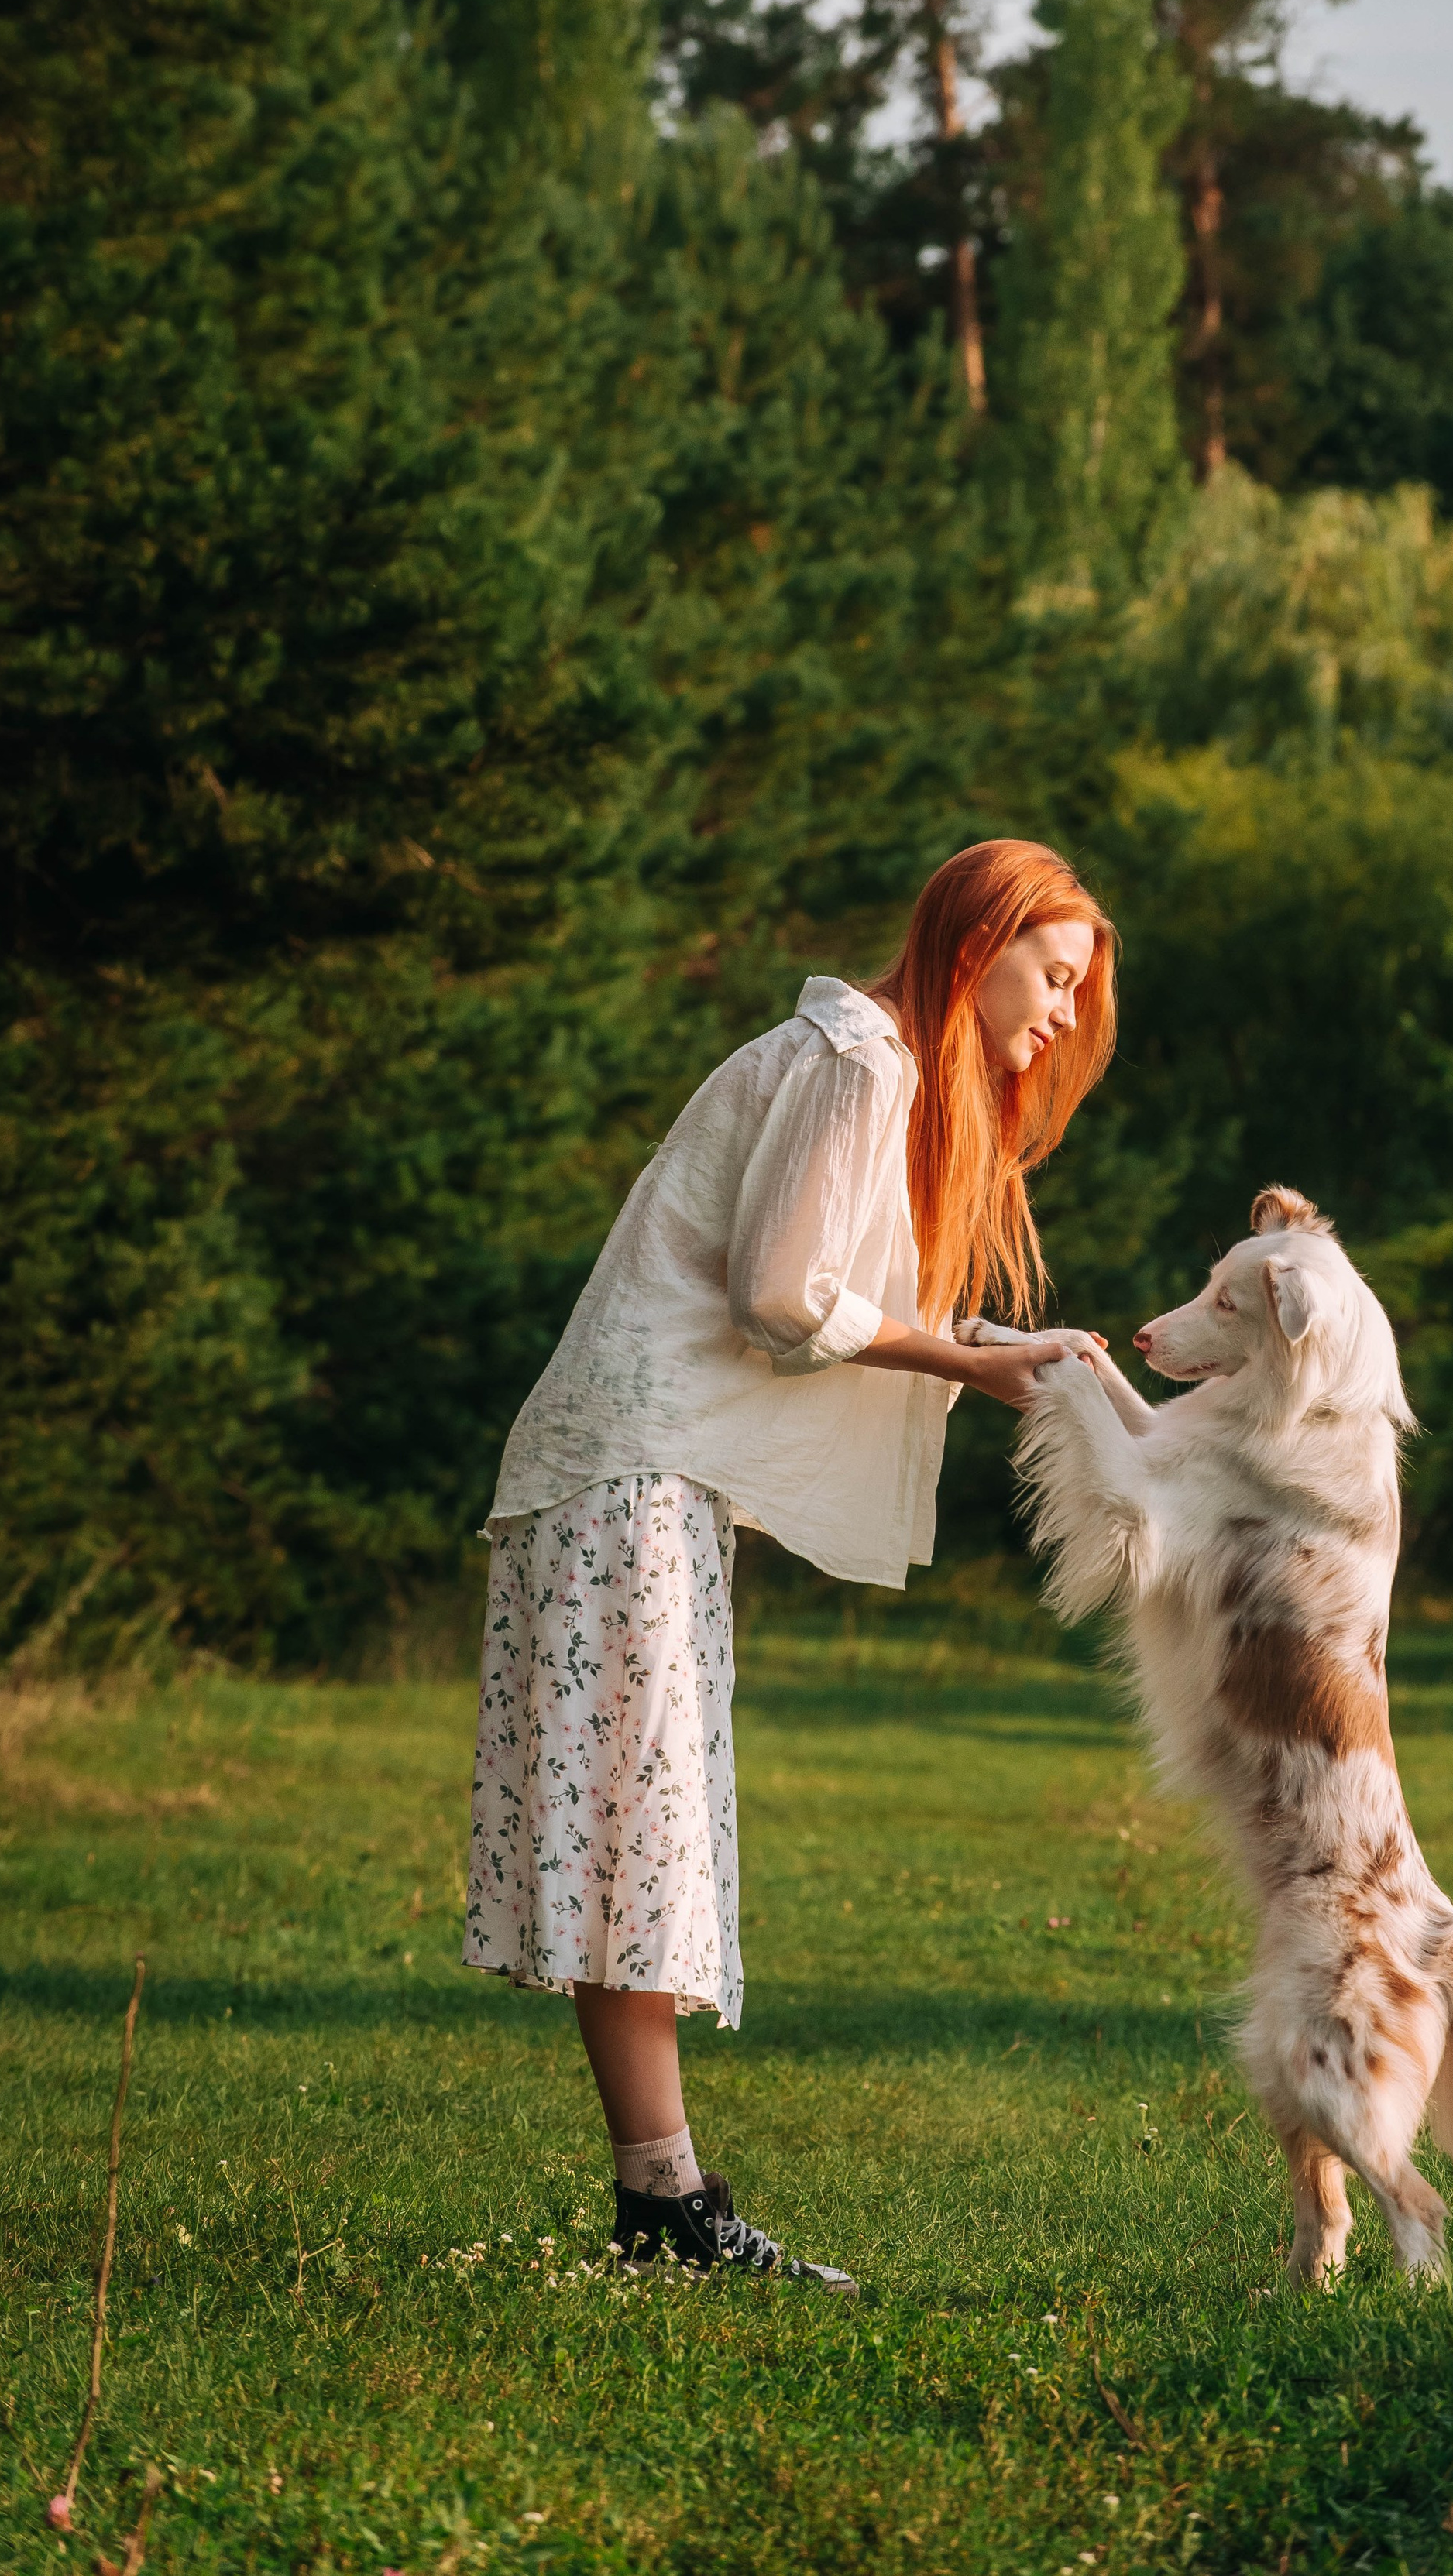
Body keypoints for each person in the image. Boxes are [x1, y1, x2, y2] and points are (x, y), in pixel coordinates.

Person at [462, 839, 1118, 2290]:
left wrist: (999, 1347)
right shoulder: (859, 1060)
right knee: (638, 1837)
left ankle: (660, 2208)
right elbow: (782, 1297)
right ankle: (668, 2213)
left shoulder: (868, 1066)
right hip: (626, 1471)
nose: (1066, 1015)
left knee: (637, 1837)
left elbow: (847, 1293)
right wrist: (967, 1360)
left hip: (639, 1472)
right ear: (980, 947)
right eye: (1056, 977)